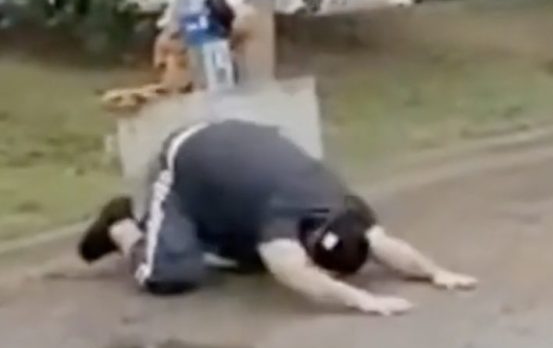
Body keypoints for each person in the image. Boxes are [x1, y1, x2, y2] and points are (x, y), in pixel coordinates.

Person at [76, 118, 476, 315]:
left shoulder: (342, 202)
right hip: (186, 160)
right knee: (171, 275)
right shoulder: (283, 213)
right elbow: (294, 273)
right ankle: (122, 224)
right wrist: (363, 300)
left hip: (232, 170)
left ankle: (198, 234)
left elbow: (386, 245)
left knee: (253, 260)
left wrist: (435, 272)